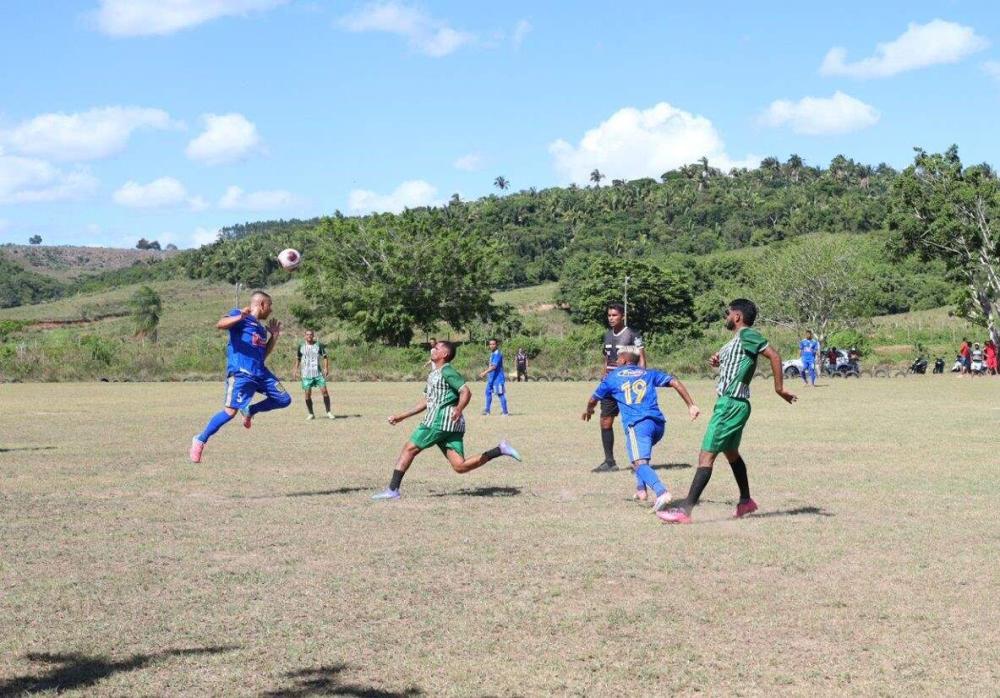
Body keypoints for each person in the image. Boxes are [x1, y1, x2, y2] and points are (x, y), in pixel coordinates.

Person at [659, 298, 796, 524]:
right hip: (732, 404)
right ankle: (745, 502)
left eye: (727, 313)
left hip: (730, 404)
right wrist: (718, 360)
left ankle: (685, 510)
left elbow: (774, 355)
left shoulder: (747, 335)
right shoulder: (737, 341)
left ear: (737, 316)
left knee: (706, 455)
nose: (726, 317)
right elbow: (736, 362)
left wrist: (779, 389)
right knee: (731, 453)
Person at [372, 340, 522, 500]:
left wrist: (458, 409)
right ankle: (500, 449)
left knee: (409, 449)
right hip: (451, 425)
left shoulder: (447, 371)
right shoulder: (434, 374)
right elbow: (427, 402)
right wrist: (401, 416)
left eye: (436, 348)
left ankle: (393, 490)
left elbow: (466, 392)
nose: (432, 350)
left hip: (439, 421)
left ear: (444, 354)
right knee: (460, 466)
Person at [583, 349, 700, 512]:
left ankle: (661, 492)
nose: (616, 362)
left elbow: (593, 399)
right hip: (658, 425)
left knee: (638, 463)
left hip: (638, 425)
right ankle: (641, 490)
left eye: (617, 359)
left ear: (623, 360)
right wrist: (691, 405)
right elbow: (674, 381)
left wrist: (589, 410)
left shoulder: (613, 377)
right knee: (640, 458)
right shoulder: (648, 373)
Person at [189, 290, 291, 463]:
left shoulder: (260, 328)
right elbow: (220, 324)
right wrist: (240, 317)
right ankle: (200, 439)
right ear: (262, 304)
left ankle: (250, 410)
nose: (271, 310)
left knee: (284, 399)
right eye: (270, 306)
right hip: (241, 374)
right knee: (230, 412)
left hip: (260, 372)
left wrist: (273, 337)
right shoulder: (239, 315)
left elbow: (262, 355)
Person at [594, 303, 646, 473]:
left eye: (614, 315)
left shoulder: (633, 335)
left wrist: (641, 377)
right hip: (609, 384)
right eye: (609, 315)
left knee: (632, 422)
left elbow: (642, 359)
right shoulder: (607, 335)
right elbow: (607, 359)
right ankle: (609, 462)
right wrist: (604, 376)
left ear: (622, 316)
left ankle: (639, 462)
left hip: (627, 385)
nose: (611, 318)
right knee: (605, 421)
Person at [294, 329, 333, 420]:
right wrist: (295, 369)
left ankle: (329, 412)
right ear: (305, 336)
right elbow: (298, 358)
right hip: (306, 374)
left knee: (325, 392)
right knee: (307, 394)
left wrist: (326, 368)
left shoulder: (318, 345)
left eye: (311, 335)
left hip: (318, 373)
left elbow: (325, 357)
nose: (309, 336)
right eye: (307, 334)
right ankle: (311, 413)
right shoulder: (301, 346)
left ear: (313, 336)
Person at [479, 338, 509, 416]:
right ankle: (487, 411)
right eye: (490, 344)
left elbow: (494, 367)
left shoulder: (498, 354)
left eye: (493, 344)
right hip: (491, 378)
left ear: (496, 345)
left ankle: (505, 412)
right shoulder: (492, 354)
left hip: (498, 379)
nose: (491, 346)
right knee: (488, 393)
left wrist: (484, 372)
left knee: (500, 394)